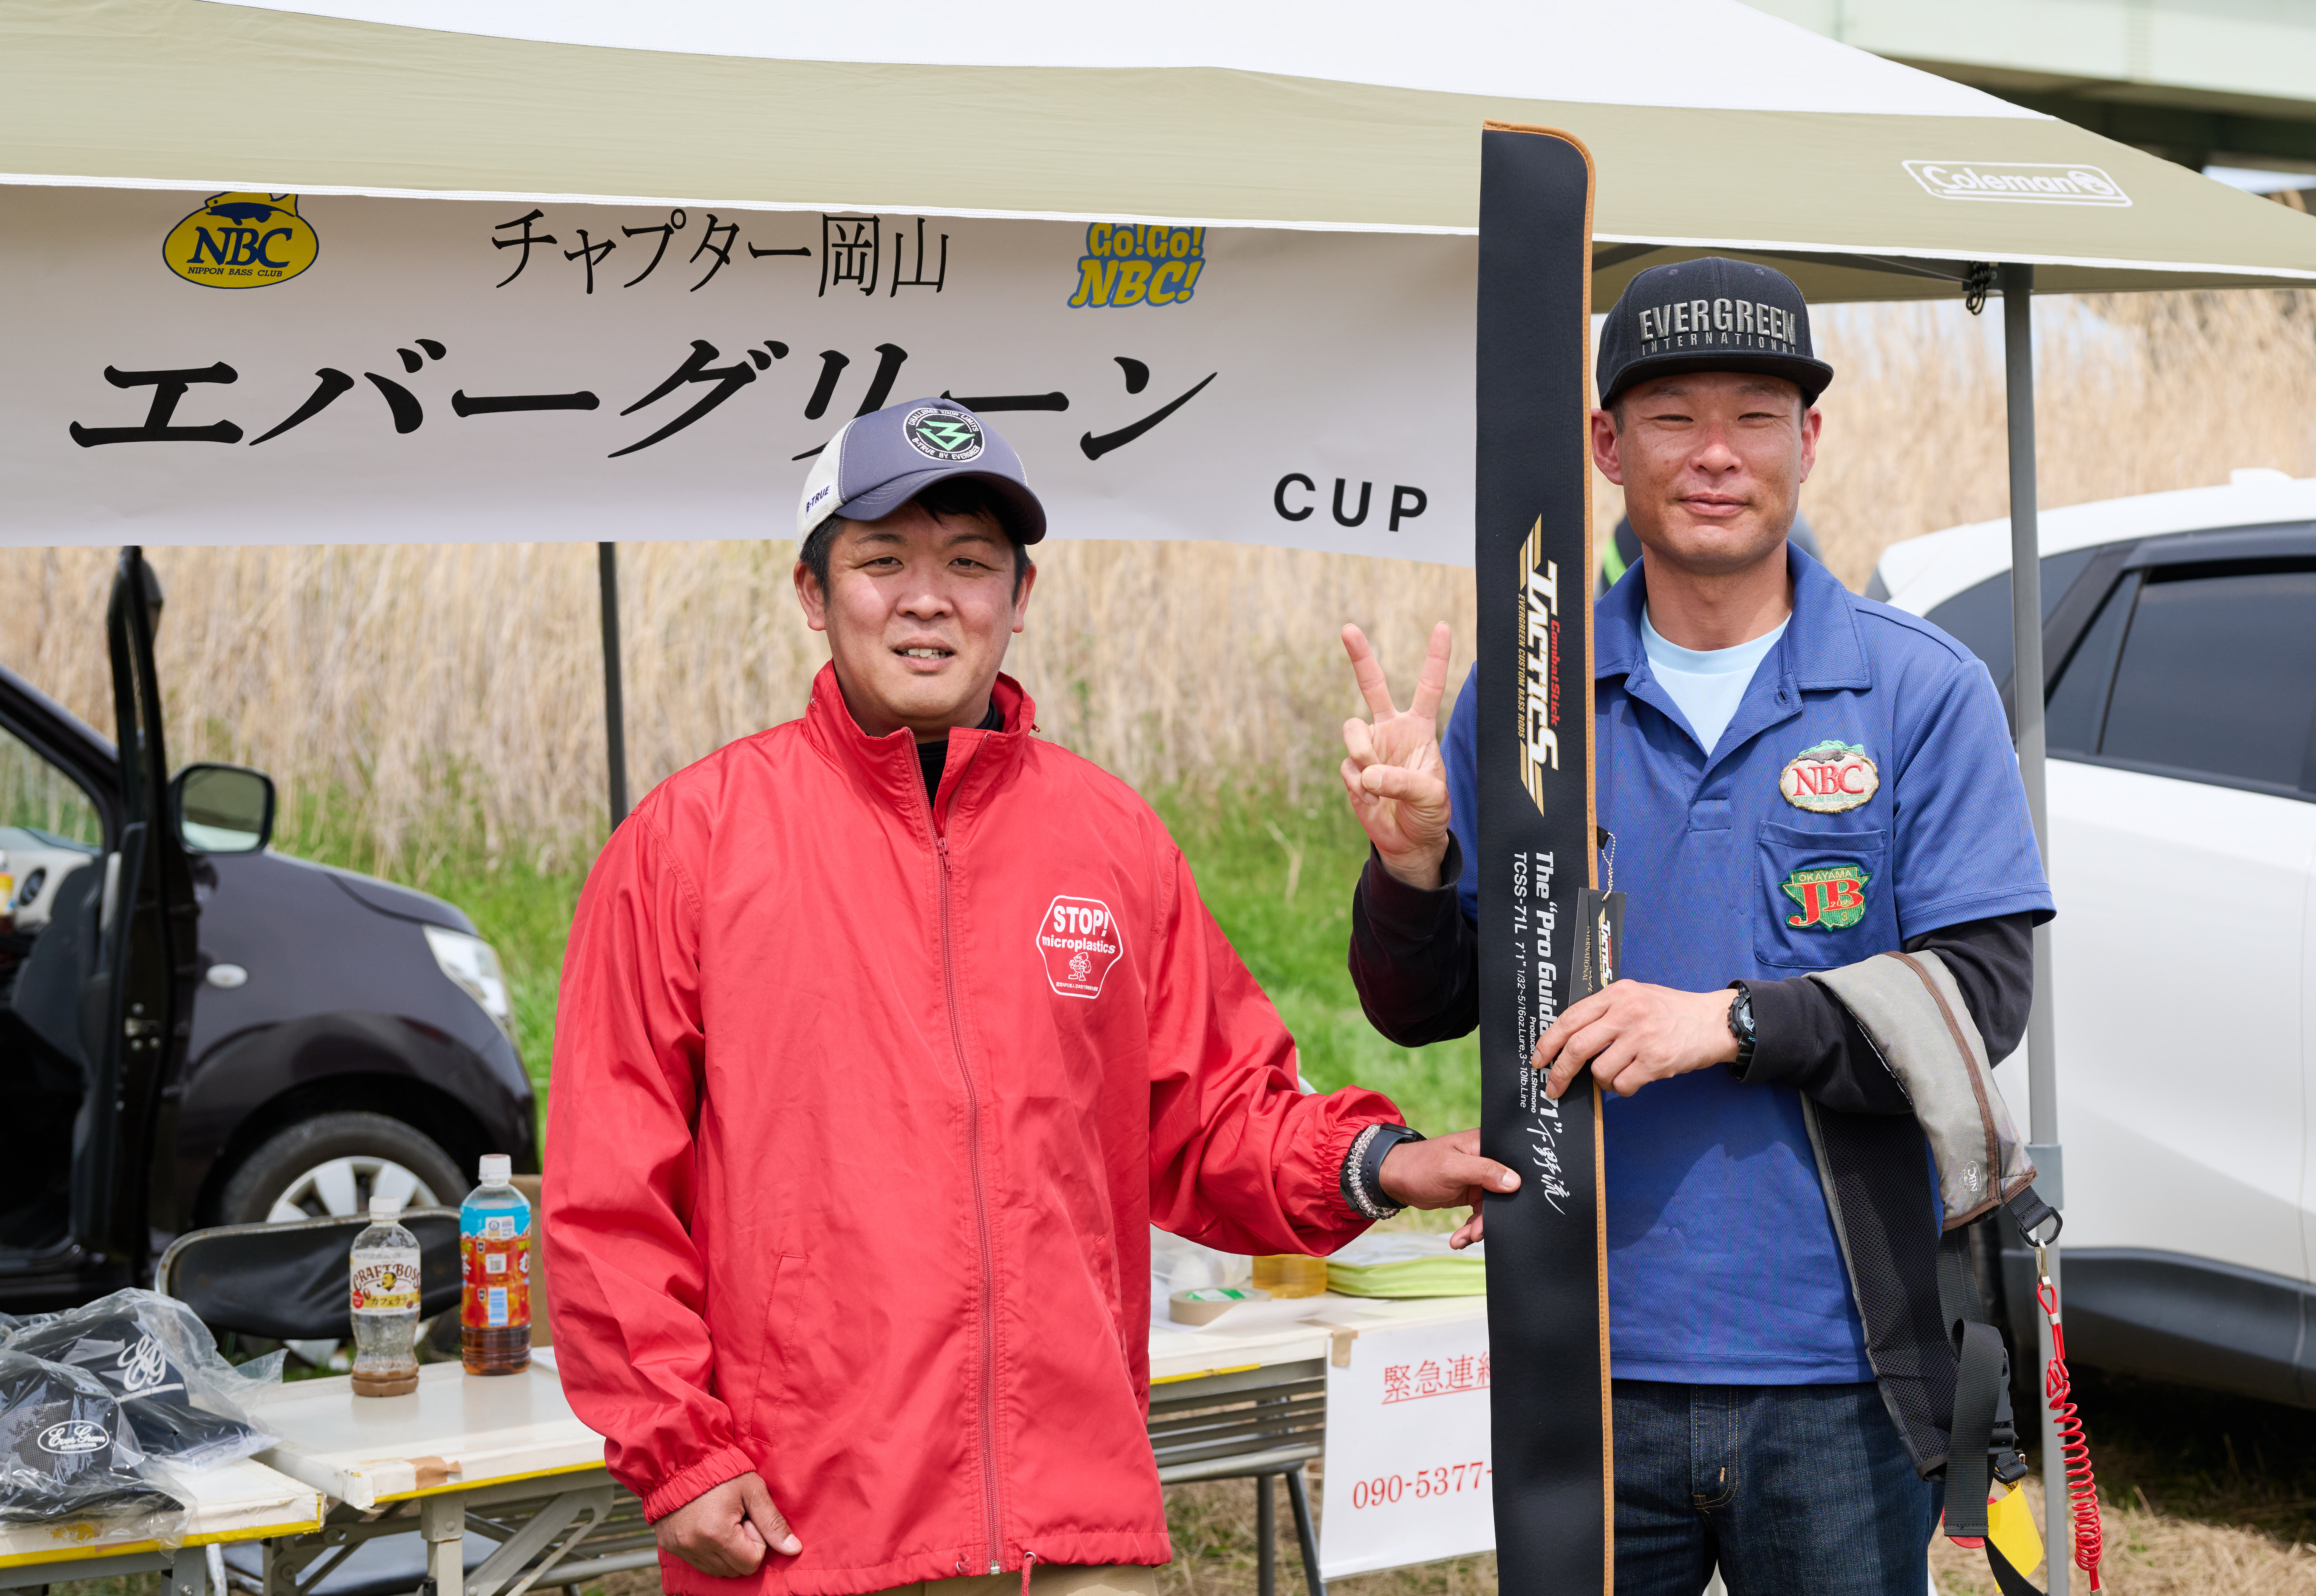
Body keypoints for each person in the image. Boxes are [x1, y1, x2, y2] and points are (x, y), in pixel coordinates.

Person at [547, 396, 1512, 1596]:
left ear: (1019, 597)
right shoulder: (690, 845)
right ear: (813, 593)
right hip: (808, 1530)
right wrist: (679, 1454)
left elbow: (1209, 1111)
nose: (927, 597)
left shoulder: (1108, 836)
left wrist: (1384, 1164)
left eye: (969, 564)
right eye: (881, 560)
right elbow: (607, 1200)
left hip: (1075, 1522)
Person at [1337, 259, 2052, 1596]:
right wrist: (1414, 862)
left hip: (1842, 1366)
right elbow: (1431, 1001)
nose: (1716, 454)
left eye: (1757, 415)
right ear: (1607, 446)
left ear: (1810, 441)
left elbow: (1982, 996)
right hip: (1586, 1360)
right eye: (1671, 417)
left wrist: (1726, 1023)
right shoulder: (1536, 698)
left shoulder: (1917, 692)